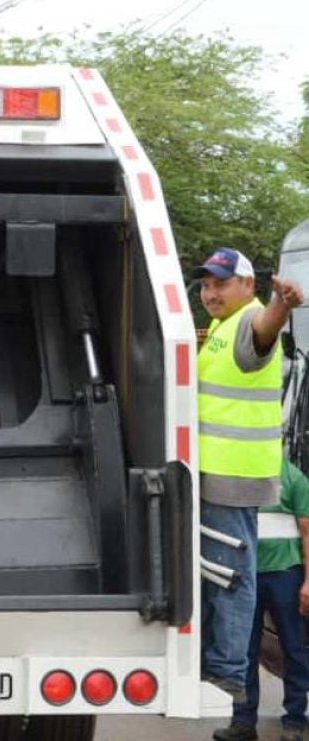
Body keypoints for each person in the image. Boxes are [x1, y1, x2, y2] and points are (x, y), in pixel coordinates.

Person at [195, 247, 303, 711]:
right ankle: (218, 661)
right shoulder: (220, 327)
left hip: (234, 473)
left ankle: (229, 671)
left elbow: (263, 335)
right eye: (205, 284)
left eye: (221, 283)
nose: (210, 292)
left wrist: (282, 306)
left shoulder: (250, 320)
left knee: (232, 575)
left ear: (246, 286)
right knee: (217, 570)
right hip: (218, 470)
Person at [214, 459, 309, 741]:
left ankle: (294, 721)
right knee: (244, 652)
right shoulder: (241, 476)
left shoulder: (293, 479)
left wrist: (308, 582)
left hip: (285, 576)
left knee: (293, 650)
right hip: (246, 577)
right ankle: (243, 722)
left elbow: (307, 532)